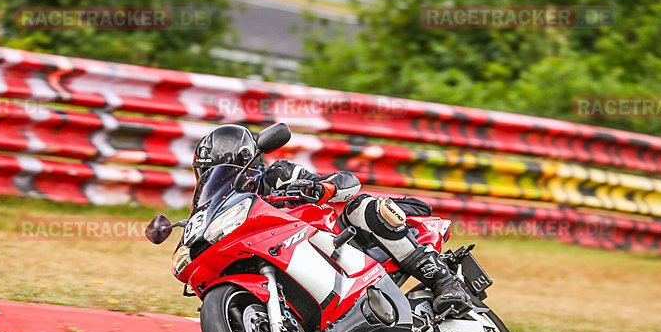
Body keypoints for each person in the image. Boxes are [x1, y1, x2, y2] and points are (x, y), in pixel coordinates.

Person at [192, 124, 472, 317]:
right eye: (209, 174)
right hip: (290, 263)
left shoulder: (277, 175)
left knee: (362, 207)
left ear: (246, 160)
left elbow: (347, 183)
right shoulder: (224, 211)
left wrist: (320, 188)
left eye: (222, 170)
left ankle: (445, 283)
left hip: (332, 243)